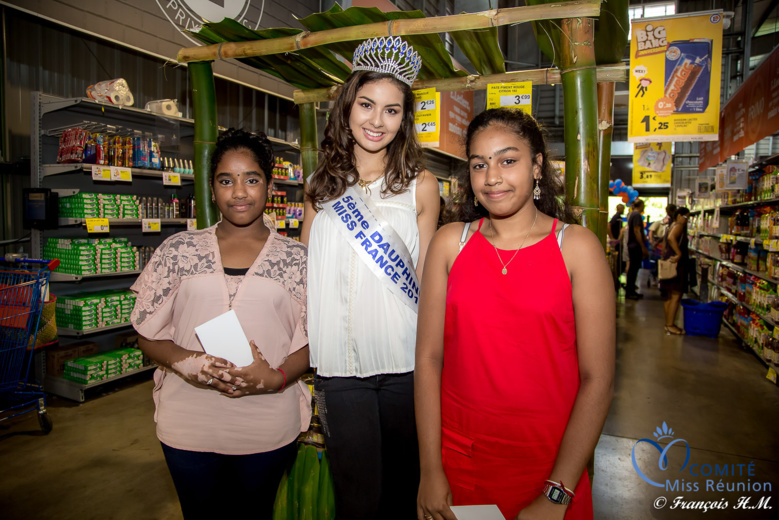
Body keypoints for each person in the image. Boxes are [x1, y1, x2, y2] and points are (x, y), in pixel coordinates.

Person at [415, 108, 615, 520]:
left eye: (508, 161)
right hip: (461, 460)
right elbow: (428, 360)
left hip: (552, 465)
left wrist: (558, 494)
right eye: (479, 164)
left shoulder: (577, 248)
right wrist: (430, 470)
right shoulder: (450, 244)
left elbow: (598, 379)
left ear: (537, 165)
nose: (492, 177)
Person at [131, 129, 311, 520]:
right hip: (189, 421)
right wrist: (188, 363)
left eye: (252, 179)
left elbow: (316, 341)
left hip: (266, 421)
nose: (239, 192)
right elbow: (146, 331)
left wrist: (275, 378)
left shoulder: (299, 259)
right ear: (212, 189)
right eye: (226, 180)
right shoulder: (178, 250)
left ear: (269, 185)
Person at [300, 36, 440, 520]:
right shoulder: (319, 188)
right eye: (366, 105)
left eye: (392, 110)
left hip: (406, 366)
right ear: (347, 106)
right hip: (340, 370)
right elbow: (305, 273)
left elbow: (425, 280)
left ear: (405, 120)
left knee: (404, 495)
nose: (376, 121)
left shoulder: (421, 185)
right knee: (357, 501)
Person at [660, 206, 691, 335]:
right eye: (686, 217)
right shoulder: (678, 226)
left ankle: (668, 324)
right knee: (676, 294)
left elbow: (666, 242)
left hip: (670, 260)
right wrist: (679, 253)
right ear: (679, 216)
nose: (687, 220)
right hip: (676, 263)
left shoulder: (671, 225)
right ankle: (670, 324)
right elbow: (671, 238)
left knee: (669, 295)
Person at [626, 199, 648, 299]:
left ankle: (630, 290)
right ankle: (630, 291)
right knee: (633, 269)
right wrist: (643, 246)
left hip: (632, 245)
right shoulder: (637, 215)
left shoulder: (631, 215)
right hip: (635, 246)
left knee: (632, 269)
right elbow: (637, 231)